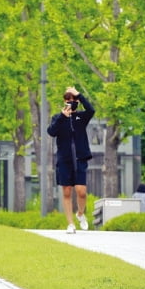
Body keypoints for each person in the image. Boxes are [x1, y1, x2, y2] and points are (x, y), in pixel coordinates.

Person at [47, 86, 95, 234]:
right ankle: (70, 224)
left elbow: (91, 110)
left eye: (73, 100)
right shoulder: (58, 118)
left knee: (81, 191)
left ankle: (80, 214)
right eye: (68, 100)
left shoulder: (81, 117)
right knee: (67, 191)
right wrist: (62, 116)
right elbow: (51, 132)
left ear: (77, 102)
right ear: (64, 102)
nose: (70, 103)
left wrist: (79, 94)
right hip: (64, 159)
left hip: (80, 158)